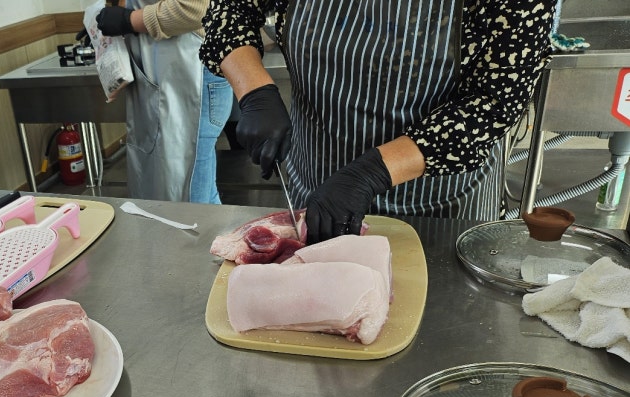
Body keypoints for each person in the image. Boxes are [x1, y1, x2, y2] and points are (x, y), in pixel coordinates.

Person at [200, 0, 557, 243]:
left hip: (436, 205)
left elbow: (496, 98)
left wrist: (370, 173)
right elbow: (230, 10)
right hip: (313, 178)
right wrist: (255, 91)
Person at [96, 0, 233, 203]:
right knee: (171, 184)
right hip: (162, 76)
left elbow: (197, 8)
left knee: (191, 195)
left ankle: (206, 235)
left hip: (191, 77)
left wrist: (128, 20)